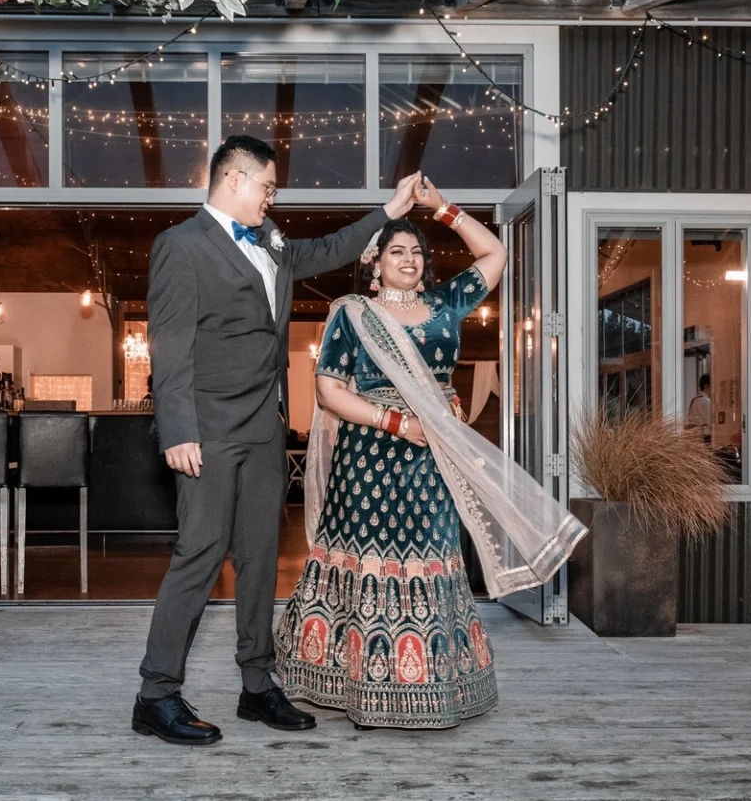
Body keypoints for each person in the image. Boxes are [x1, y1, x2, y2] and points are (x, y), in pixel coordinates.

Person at [132, 135, 423, 746]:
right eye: (266, 186)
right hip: (207, 435)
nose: (271, 198)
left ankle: (257, 685)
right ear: (234, 179)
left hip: (265, 429)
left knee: (261, 558)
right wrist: (178, 429)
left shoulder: (270, 241)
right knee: (200, 555)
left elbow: (332, 247)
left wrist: (390, 212)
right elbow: (170, 345)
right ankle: (156, 693)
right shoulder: (181, 247)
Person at [275, 178, 588, 730]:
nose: (411, 260)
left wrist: (442, 209)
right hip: (369, 458)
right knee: (366, 557)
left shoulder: (445, 305)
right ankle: (360, 684)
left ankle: (430, 684)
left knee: (432, 555)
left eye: (417, 252)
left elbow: (496, 253)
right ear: (374, 261)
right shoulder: (352, 314)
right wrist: (397, 420)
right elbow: (329, 391)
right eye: (398, 251)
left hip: (432, 459)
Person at [687, 373, 713, 446]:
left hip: (696, 438)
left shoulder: (694, 400)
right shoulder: (705, 401)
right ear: (706, 386)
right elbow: (711, 422)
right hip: (705, 438)